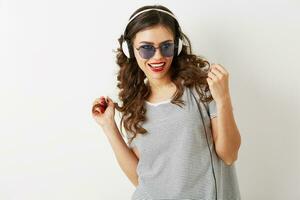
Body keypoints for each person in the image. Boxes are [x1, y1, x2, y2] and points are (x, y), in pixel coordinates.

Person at [92, 4, 242, 200]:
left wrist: (223, 99)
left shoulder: (201, 88)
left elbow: (229, 154)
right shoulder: (134, 104)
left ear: (177, 46)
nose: (158, 56)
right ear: (130, 50)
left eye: (166, 46)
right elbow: (141, 178)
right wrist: (108, 126)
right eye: (146, 48)